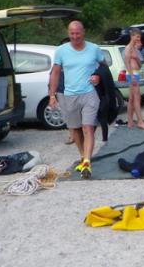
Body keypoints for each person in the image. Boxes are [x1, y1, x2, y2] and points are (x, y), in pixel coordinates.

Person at [48, 21, 105, 179]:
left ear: (83, 32)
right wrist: (52, 95)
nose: (75, 36)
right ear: (68, 33)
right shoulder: (61, 51)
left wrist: (98, 76)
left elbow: (104, 66)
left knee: (88, 127)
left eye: (77, 33)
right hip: (69, 95)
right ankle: (82, 156)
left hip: (89, 93)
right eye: (72, 33)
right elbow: (55, 73)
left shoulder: (94, 49)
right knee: (75, 129)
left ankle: (87, 161)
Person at [124, 28, 144, 130]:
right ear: (132, 36)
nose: (138, 39)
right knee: (137, 98)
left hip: (136, 73)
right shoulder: (128, 48)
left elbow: (139, 66)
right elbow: (126, 63)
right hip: (132, 75)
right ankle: (140, 122)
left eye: (139, 37)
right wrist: (131, 76)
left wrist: (136, 58)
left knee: (131, 99)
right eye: (137, 36)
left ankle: (130, 121)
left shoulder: (134, 49)